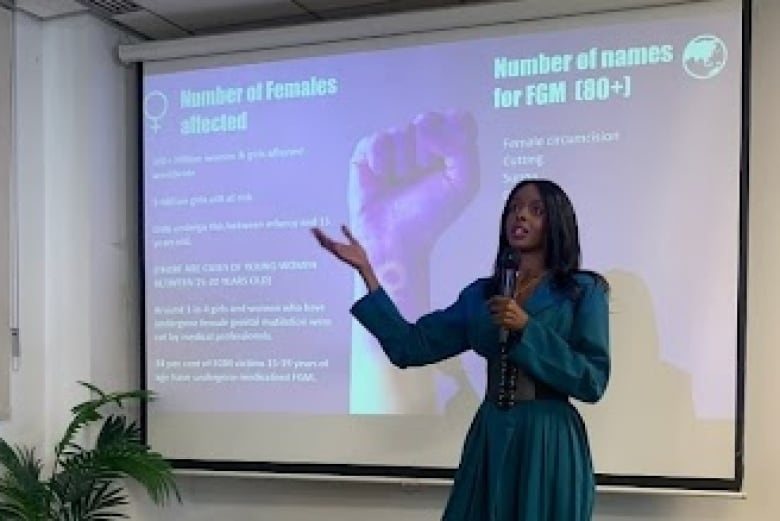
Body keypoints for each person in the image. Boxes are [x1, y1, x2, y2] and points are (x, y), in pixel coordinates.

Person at [312, 179, 610, 521]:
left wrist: (527, 329)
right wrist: (367, 271)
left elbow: (593, 381)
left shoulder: (583, 291)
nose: (520, 216)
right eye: (513, 208)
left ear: (556, 222)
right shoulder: (483, 295)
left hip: (549, 440)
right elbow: (410, 346)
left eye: (535, 210)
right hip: (492, 433)